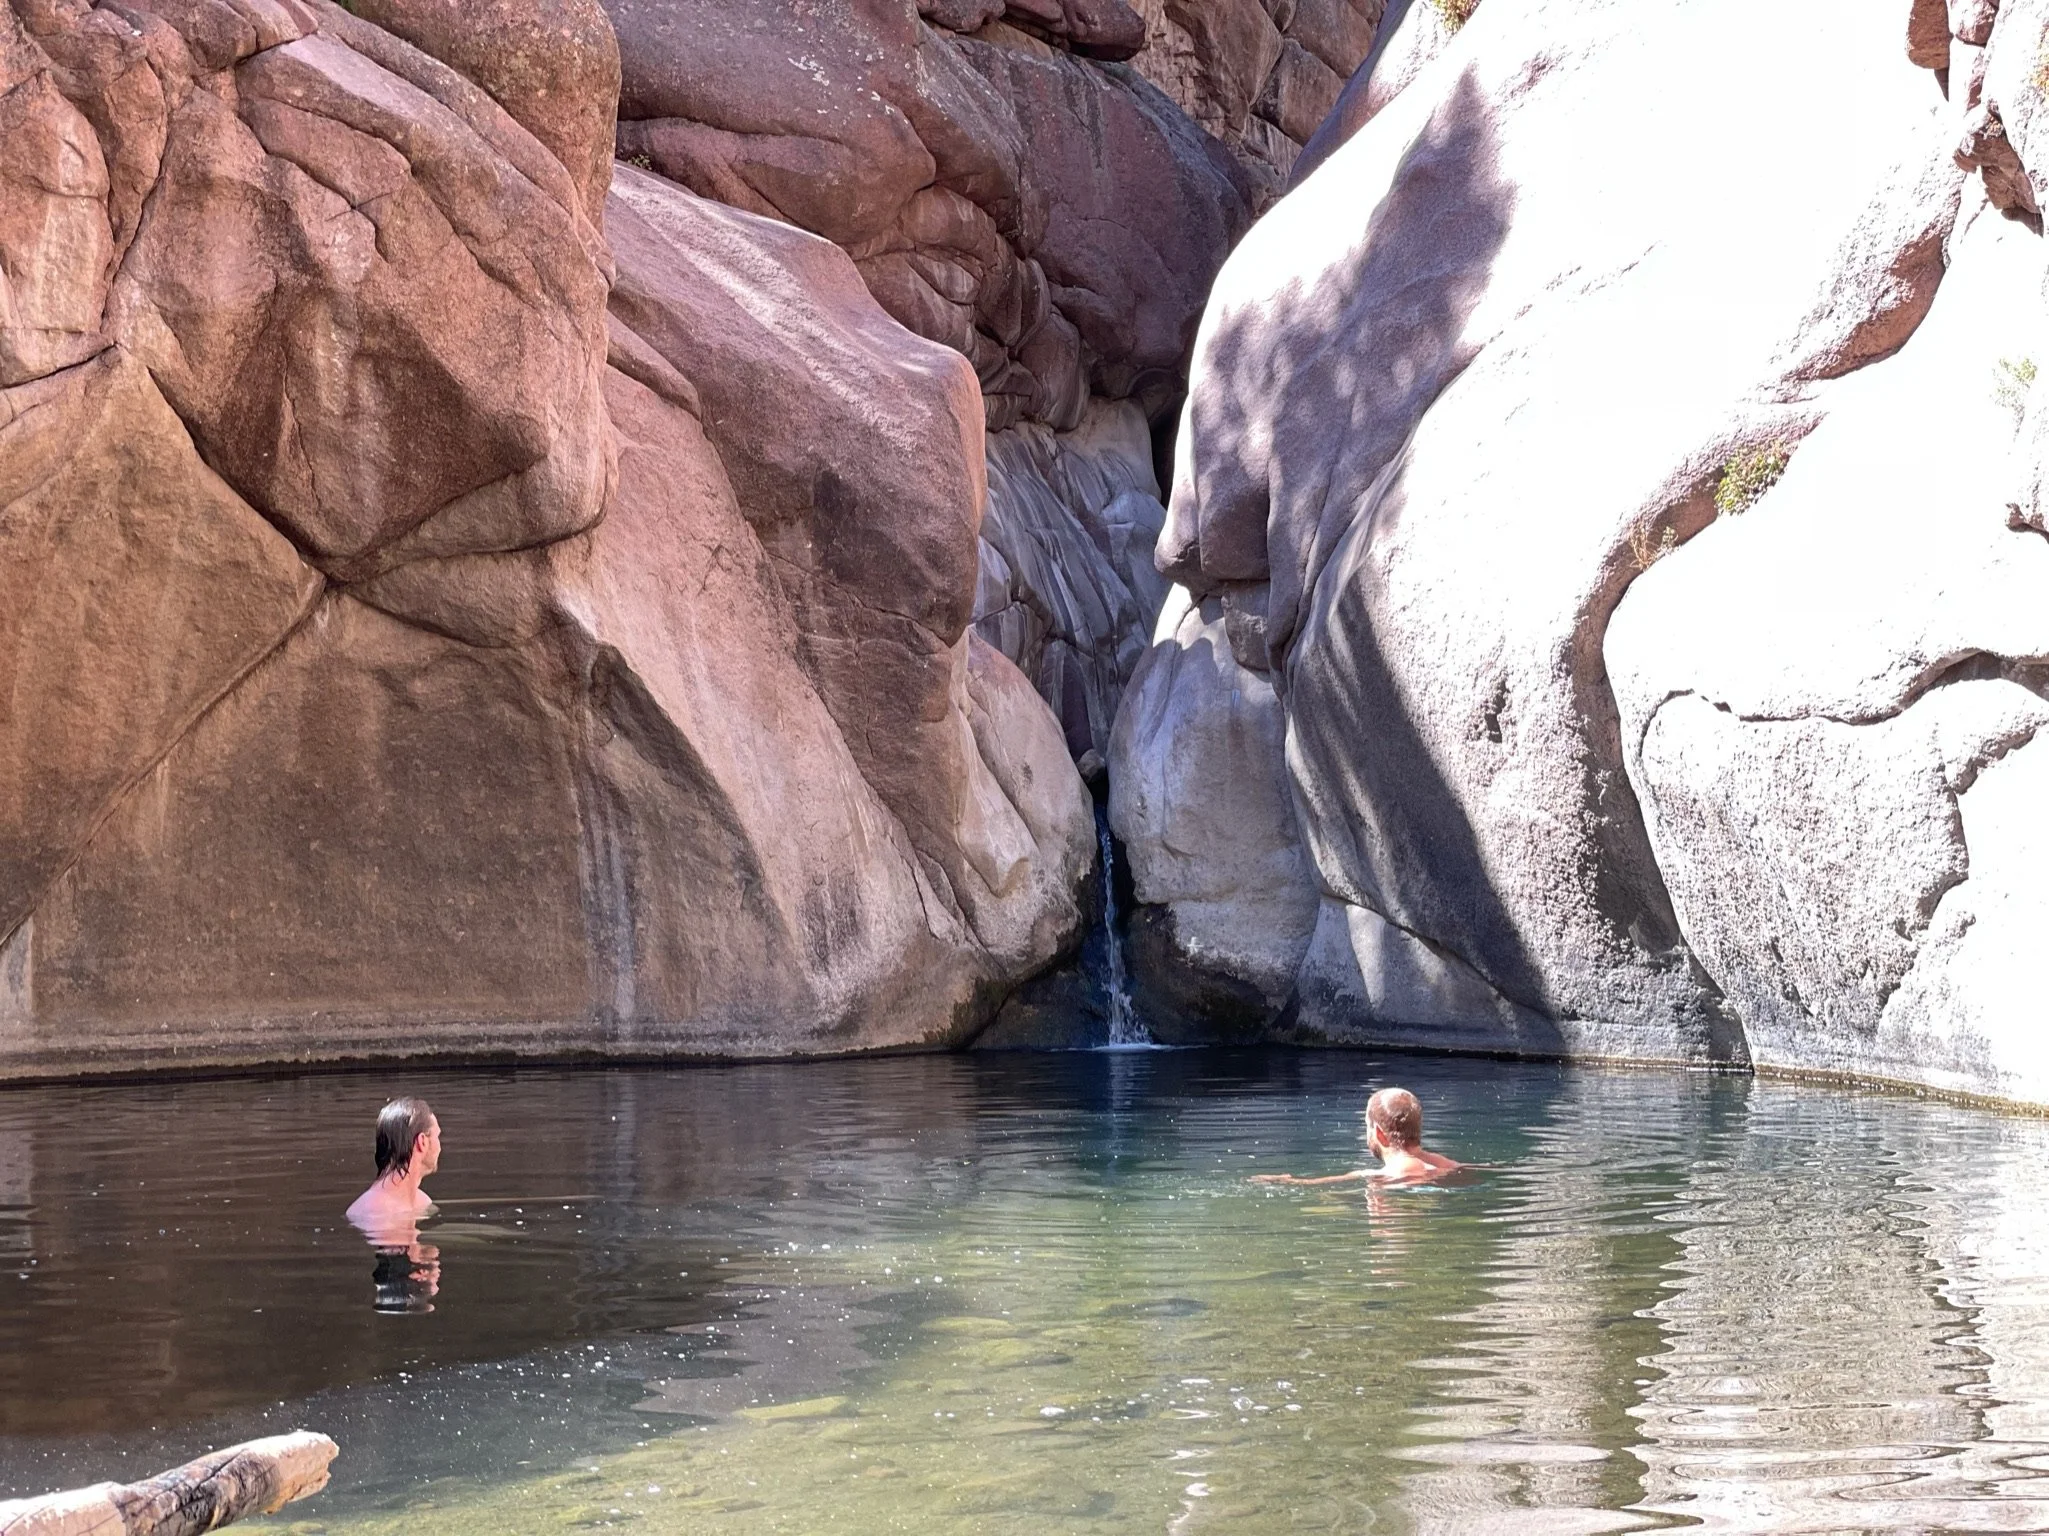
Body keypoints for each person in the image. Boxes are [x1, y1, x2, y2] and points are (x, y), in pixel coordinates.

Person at [1250, 1086, 1463, 1188]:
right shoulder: (1447, 1165)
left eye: (1367, 1126)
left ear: (1378, 1133)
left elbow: (1310, 1184)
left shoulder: (1378, 1175)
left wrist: (1287, 1181)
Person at [345, 1097, 442, 1246]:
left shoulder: (422, 1202)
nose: (440, 1147)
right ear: (422, 1142)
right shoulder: (375, 1213)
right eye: (437, 1136)